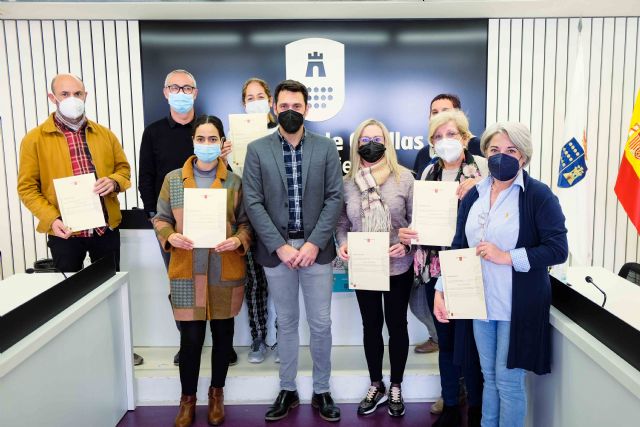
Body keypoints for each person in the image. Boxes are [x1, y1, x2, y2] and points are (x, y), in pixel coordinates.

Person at [433, 122, 568, 427]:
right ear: (485, 154)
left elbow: (558, 249)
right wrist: (442, 290)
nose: (501, 156)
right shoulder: (474, 195)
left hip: (515, 306)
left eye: (511, 150)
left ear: (523, 157)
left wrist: (506, 256)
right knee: (488, 379)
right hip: (479, 303)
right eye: (494, 150)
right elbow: (459, 246)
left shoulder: (538, 195)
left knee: (508, 383)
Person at [243, 79, 343, 422]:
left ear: (307, 109)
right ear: (274, 108)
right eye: (283, 106)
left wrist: (314, 243)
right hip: (278, 253)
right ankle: (287, 388)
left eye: (296, 107)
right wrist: (281, 247)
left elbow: (334, 198)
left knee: (320, 324)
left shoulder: (326, 148)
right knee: (286, 323)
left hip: (318, 250)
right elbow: (253, 203)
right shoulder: (257, 150)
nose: (290, 112)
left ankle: (322, 389)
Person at [153, 115, 251, 427]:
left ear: (222, 143)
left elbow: (247, 224)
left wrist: (238, 239)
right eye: (201, 139)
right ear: (193, 142)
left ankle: (217, 394)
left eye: (213, 139)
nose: (206, 145)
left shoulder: (234, 182)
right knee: (191, 340)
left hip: (225, 268)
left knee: (224, 337)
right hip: (186, 269)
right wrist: (169, 235)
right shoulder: (173, 180)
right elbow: (161, 218)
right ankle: (187, 400)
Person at [139, 69, 235, 366]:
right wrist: (161, 225)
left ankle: (221, 345)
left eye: (187, 88)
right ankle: (187, 341)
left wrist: (226, 159)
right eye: (174, 87)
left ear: (196, 92)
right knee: (181, 284)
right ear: (165, 92)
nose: (181, 93)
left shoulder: (210, 128)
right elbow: (147, 178)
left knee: (217, 281)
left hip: (214, 224)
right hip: (174, 226)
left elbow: (228, 182)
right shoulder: (153, 131)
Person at [399, 110, 487, 426]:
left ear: (465, 137)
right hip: (434, 267)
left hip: (470, 268)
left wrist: (480, 185)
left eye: (451, 134)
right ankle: (451, 404)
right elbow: (420, 218)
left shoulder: (483, 169)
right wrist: (409, 232)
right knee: (446, 342)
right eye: (437, 137)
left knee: (473, 344)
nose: (444, 141)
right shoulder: (427, 173)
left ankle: (476, 409)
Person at [336, 119, 414, 417]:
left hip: (398, 266)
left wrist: (407, 245)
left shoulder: (405, 178)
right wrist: (343, 243)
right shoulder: (349, 183)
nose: (371, 143)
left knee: (397, 326)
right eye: (365, 139)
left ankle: (395, 384)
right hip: (365, 265)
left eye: (377, 138)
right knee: (371, 326)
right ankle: (376, 383)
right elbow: (342, 224)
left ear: (387, 142)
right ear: (357, 145)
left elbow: (415, 224)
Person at [17, 73, 130, 272]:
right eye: (65, 94)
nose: (72, 99)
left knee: (112, 290)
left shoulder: (105, 135)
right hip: (65, 233)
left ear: (85, 95)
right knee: (70, 297)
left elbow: (123, 170)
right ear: (53, 98)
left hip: (105, 230)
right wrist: (51, 219)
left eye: (77, 93)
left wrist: (113, 182)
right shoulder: (34, 140)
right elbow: (27, 189)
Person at [240, 77, 278, 364]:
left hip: (279, 221)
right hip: (248, 220)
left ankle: (282, 338)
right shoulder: (232, 137)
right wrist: (225, 158)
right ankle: (258, 338)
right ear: (243, 104)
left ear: (270, 101)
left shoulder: (282, 131)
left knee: (281, 283)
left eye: (259, 96)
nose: (255, 102)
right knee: (255, 284)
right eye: (249, 98)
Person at [413, 93, 483, 179]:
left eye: (451, 134)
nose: (440, 116)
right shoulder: (427, 170)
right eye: (435, 112)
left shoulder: (483, 163)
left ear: (464, 137)